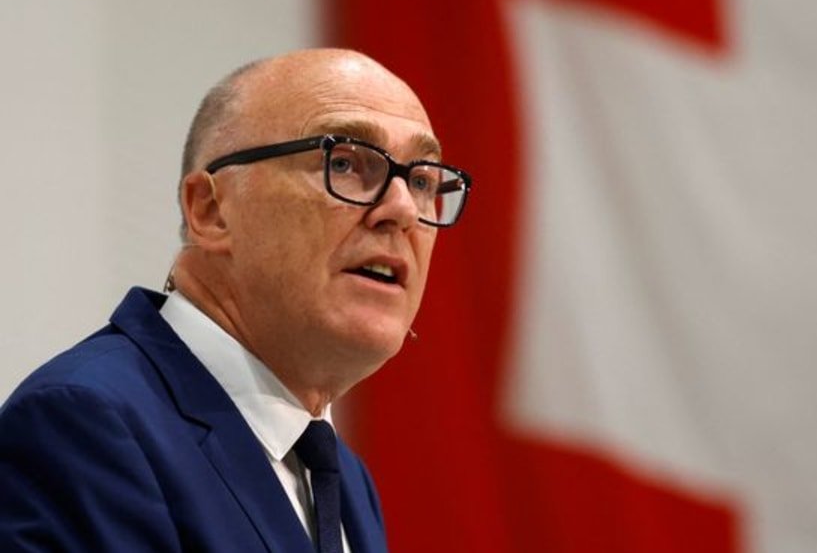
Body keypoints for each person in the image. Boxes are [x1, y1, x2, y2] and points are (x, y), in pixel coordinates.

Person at [0, 49, 472, 552]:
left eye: (421, 181)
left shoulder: (348, 482)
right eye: (344, 163)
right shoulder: (86, 425)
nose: (402, 209)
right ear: (210, 210)